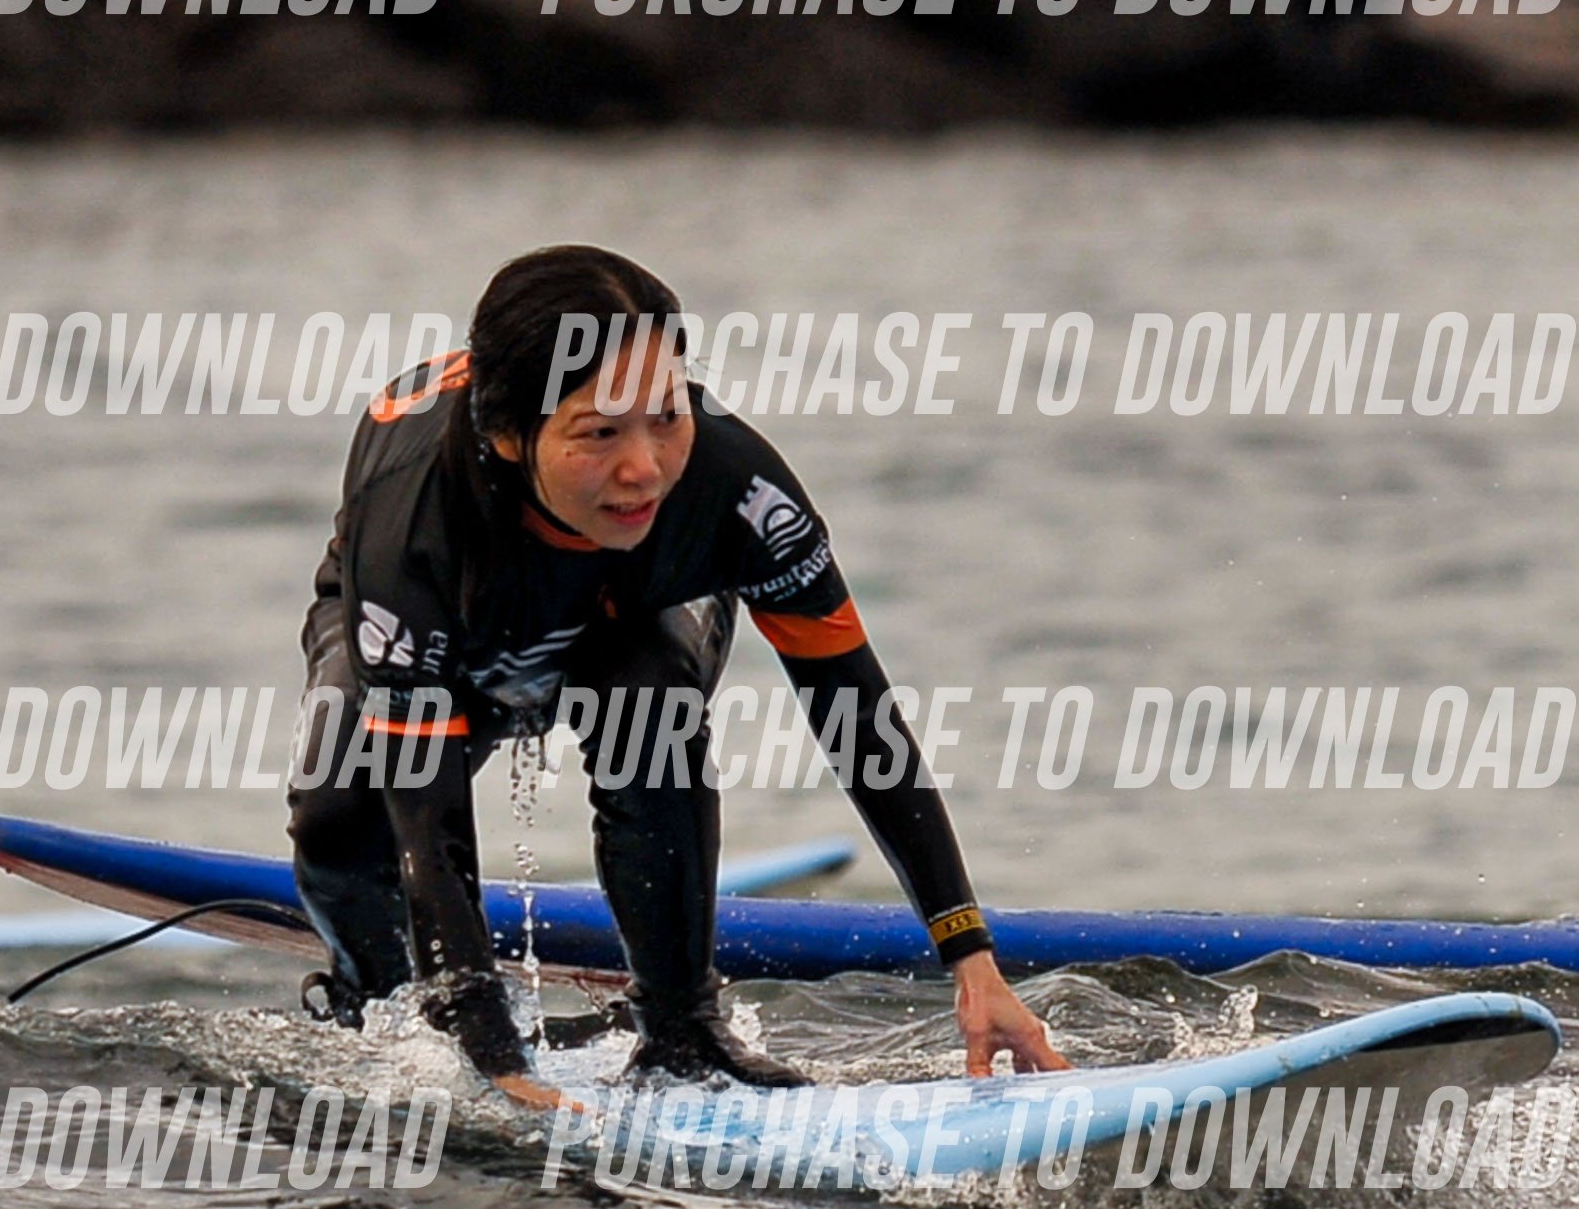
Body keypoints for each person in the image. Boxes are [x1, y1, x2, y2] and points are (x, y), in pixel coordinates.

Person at [290, 244, 1064, 1107]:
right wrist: (493, 1058)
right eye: (600, 433)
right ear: (511, 437)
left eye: (667, 415)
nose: (645, 468)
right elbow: (426, 817)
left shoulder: (738, 490)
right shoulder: (412, 529)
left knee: (648, 701)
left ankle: (683, 1030)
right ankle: (377, 1009)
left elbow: (858, 719)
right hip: (450, 621)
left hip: (633, 608)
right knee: (340, 811)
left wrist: (971, 959)